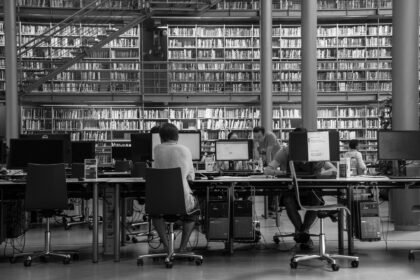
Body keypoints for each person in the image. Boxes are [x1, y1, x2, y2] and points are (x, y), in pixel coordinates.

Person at [263, 128, 337, 250]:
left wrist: (321, 175)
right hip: (292, 189)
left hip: (311, 189)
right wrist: (284, 173)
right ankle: (304, 234)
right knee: (288, 200)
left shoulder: (315, 151)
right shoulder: (285, 151)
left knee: (316, 201)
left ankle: (302, 232)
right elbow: (267, 170)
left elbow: (334, 170)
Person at [152, 123, 199, 253]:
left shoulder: (156, 150)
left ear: (161, 138)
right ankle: (183, 247)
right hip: (182, 201)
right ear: (177, 137)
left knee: (155, 213)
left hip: (160, 201)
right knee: (193, 213)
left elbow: (156, 171)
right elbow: (191, 177)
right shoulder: (185, 150)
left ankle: (167, 246)